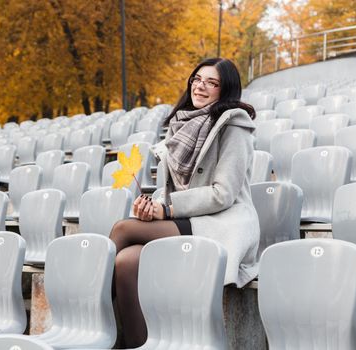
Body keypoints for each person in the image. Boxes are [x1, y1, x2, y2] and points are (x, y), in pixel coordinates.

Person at [109, 57, 260, 348]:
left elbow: (222, 194)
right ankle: (136, 343)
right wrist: (150, 205)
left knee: (123, 230)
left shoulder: (234, 125)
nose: (201, 87)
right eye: (197, 79)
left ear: (225, 90)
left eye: (212, 83)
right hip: (183, 219)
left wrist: (165, 209)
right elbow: (170, 189)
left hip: (220, 223)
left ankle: (95, 303)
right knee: (126, 261)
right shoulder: (180, 125)